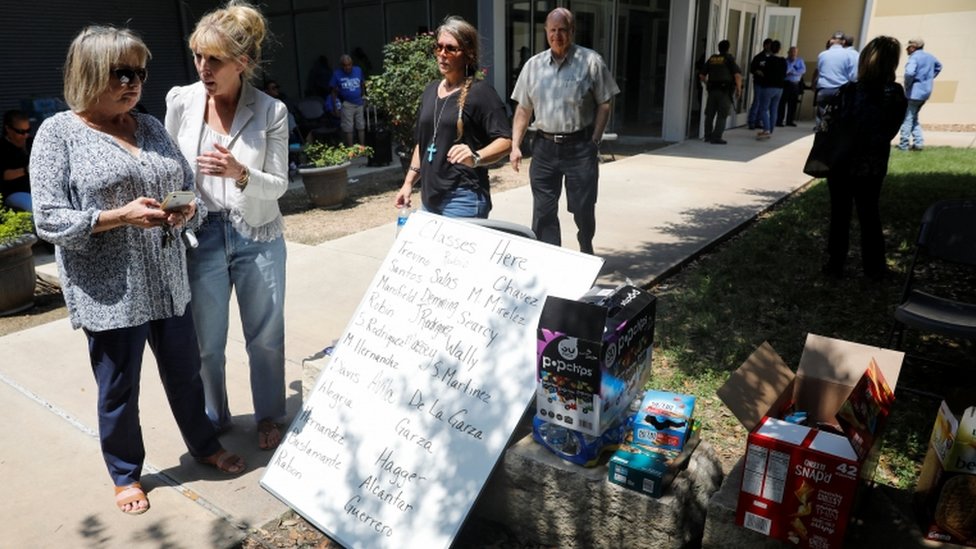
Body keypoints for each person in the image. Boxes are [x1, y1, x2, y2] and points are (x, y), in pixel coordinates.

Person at [30, 24, 246, 516]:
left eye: (139, 73)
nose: (133, 83)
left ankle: (204, 446)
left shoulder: (148, 126)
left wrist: (187, 209)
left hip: (168, 281)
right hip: (109, 290)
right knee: (119, 388)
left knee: (186, 375)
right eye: (120, 72)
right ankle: (125, 475)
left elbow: (185, 184)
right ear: (88, 74)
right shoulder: (58, 134)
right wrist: (117, 216)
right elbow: (48, 220)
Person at [165, 0, 289, 451]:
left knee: (266, 337)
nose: (203, 67)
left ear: (244, 62)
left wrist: (240, 173)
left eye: (214, 59)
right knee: (206, 344)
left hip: (257, 234)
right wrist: (177, 206)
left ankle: (271, 415)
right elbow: (171, 171)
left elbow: (277, 186)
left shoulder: (271, 111)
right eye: (198, 56)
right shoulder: (181, 100)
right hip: (201, 237)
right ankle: (213, 420)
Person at [509, 7, 619, 254]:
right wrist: (515, 145)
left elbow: (605, 103)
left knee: (583, 207)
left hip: (580, 147)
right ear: (546, 32)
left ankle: (585, 244)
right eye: (552, 30)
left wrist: (595, 139)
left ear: (572, 31)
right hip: (544, 147)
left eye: (562, 30)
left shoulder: (591, 61)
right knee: (543, 210)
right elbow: (524, 110)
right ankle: (551, 258)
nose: (557, 35)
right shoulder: (533, 66)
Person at [394, 16, 512, 219]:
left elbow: (506, 141)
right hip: (430, 198)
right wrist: (408, 183)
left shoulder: (481, 93)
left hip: (463, 198)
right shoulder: (431, 91)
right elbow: (423, 144)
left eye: (450, 48)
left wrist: (476, 157)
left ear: (468, 54)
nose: (442, 54)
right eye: (438, 47)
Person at [822, 36, 907, 280]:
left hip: (841, 162)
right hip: (872, 164)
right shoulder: (894, 94)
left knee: (840, 214)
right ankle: (874, 268)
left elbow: (829, 125)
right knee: (869, 214)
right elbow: (890, 129)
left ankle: (835, 264)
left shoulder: (848, 91)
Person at [899, 38, 942, 151]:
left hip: (914, 92)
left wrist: (907, 84)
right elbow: (939, 66)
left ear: (913, 47)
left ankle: (903, 145)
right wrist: (928, 78)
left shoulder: (914, 57)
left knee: (907, 118)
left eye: (908, 47)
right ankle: (918, 143)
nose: (906, 49)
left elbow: (909, 72)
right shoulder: (930, 57)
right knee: (913, 118)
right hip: (925, 92)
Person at [698, 39, 742, 145]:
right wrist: (739, 89)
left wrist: (708, 84)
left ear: (718, 48)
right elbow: (737, 75)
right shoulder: (728, 59)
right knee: (722, 115)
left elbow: (702, 76)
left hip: (712, 91)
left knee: (709, 114)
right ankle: (716, 137)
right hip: (724, 92)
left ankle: (707, 136)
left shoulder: (712, 59)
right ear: (728, 48)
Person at [816, 32, 858, 123]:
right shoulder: (849, 54)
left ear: (831, 41)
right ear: (843, 42)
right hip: (841, 90)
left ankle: (821, 134)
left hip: (823, 90)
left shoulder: (822, 54)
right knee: (838, 119)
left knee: (821, 119)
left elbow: (819, 70)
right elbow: (853, 76)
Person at [330, 54, 366, 146]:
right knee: (348, 128)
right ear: (341, 65)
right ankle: (351, 149)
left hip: (359, 102)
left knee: (361, 126)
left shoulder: (358, 70)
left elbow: (362, 84)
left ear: (352, 64)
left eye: (349, 65)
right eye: (345, 65)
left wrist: (364, 96)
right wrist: (335, 107)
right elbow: (333, 92)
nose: (347, 67)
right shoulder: (337, 74)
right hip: (347, 103)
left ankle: (362, 147)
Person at [1, 110, 32, 211]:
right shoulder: (3, 147)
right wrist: (26, 170)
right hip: (14, 192)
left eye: (28, 130)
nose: (25, 135)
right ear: (8, 129)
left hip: (37, 190)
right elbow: (4, 175)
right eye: (21, 132)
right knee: (32, 207)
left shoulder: (31, 142)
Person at [755, 40, 786, 140]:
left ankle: (766, 129)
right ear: (779, 49)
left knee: (763, 109)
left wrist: (760, 73)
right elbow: (785, 73)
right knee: (774, 109)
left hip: (768, 87)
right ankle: (770, 129)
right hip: (779, 88)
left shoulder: (768, 60)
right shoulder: (783, 61)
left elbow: (764, 72)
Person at [747, 38, 773, 130]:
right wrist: (757, 72)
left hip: (768, 84)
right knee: (757, 101)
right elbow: (752, 69)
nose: (770, 47)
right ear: (765, 45)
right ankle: (752, 121)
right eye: (769, 45)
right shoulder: (758, 57)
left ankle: (759, 121)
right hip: (759, 83)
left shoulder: (772, 58)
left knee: (764, 103)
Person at [777, 46, 806, 126]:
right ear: (788, 52)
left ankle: (790, 121)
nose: (793, 53)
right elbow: (786, 71)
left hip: (795, 84)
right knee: (782, 103)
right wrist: (793, 64)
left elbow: (802, 70)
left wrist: (793, 72)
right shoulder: (785, 61)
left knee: (793, 103)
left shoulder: (800, 60)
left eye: (795, 52)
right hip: (786, 83)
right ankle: (779, 120)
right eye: (792, 52)